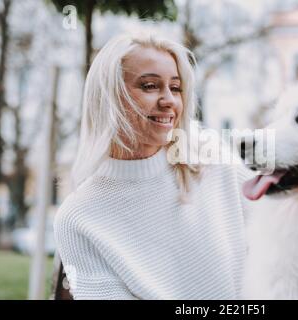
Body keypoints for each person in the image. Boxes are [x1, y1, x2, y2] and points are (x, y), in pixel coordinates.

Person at [53, 32, 251, 300]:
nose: (169, 100)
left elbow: (280, 241)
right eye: (149, 86)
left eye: (176, 87)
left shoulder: (211, 157)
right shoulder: (77, 216)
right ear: (110, 96)